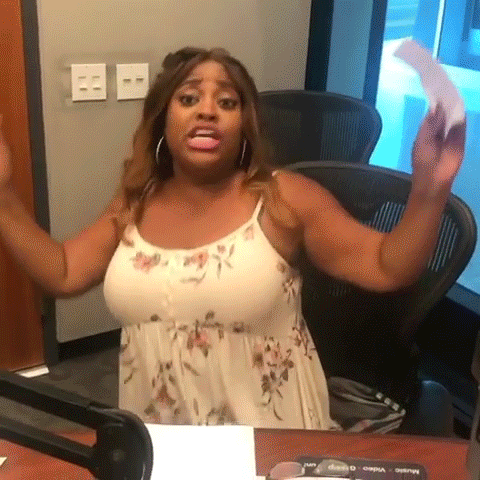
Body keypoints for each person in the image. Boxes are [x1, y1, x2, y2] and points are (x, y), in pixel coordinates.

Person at [0, 47, 466, 429]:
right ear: (163, 119)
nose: (207, 110)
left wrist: (431, 187)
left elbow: (387, 266)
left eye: (226, 102)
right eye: (188, 98)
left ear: (245, 125)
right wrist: (3, 194)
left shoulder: (283, 198)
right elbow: (64, 272)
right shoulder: (135, 202)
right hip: (162, 438)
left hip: (269, 443)